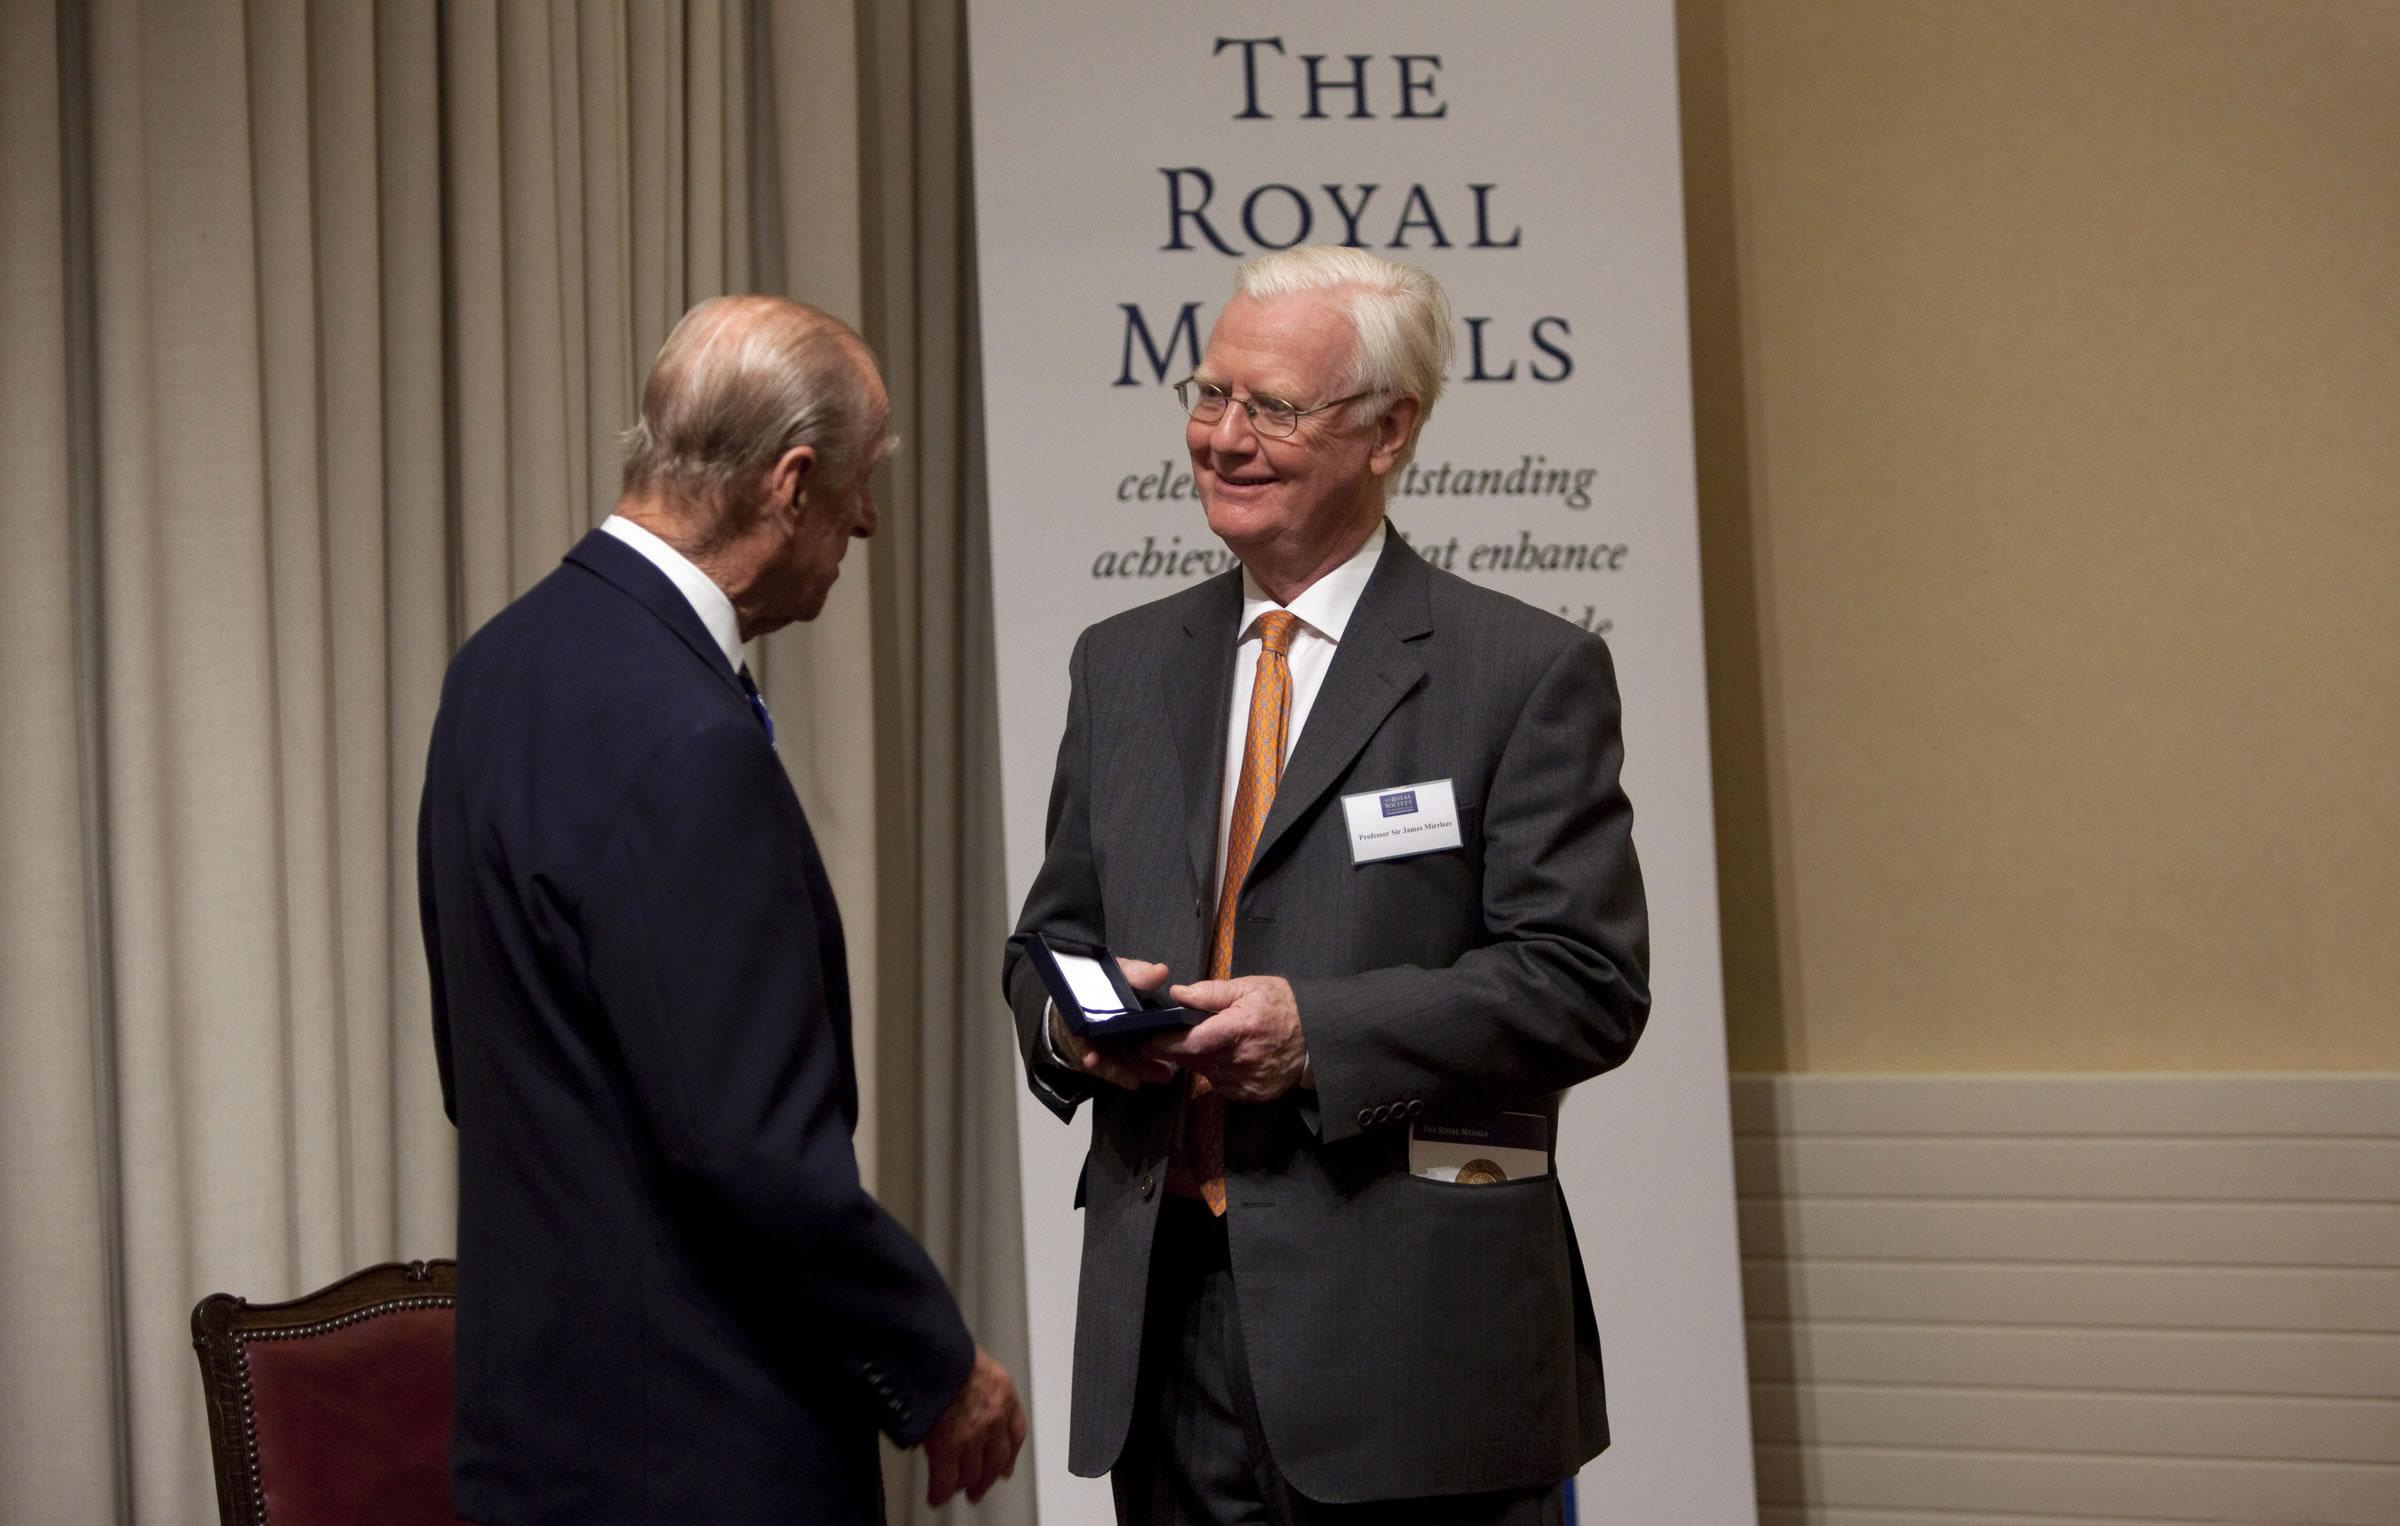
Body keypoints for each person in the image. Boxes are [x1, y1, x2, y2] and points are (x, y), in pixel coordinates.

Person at [1004, 247, 1650, 1525]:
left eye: (1274, 409)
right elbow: (1048, 937)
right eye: (1209, 395)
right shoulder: (1122, 666)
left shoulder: (1522, 670)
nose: (1223, 437)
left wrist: (1320, 1035)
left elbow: (1584, 984)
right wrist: (1077, 1024)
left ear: (1389, 429)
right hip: (1166, 1331)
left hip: (1416, 1353)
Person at [420, 295, 1024, 1525]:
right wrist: (938, 1365)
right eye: (859, 484)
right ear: (791, 483)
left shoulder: (500, 664)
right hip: (696, 1454)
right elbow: (749, 1146)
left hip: (533, 1432)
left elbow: (474, 1065)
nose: (866, 519)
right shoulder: (688, 731)